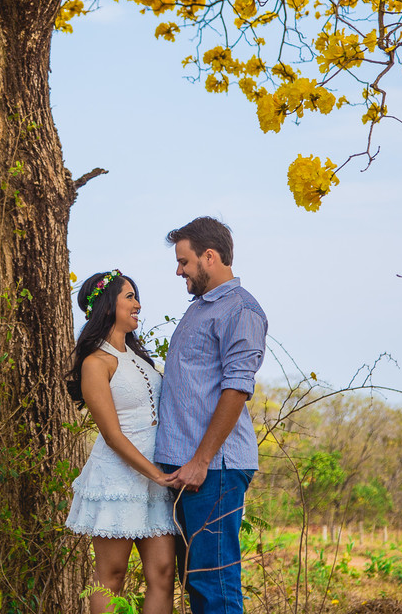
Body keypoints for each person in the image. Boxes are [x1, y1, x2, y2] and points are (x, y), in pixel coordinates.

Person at [156, 217, 267, 614]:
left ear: (210, 256)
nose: (179, 270)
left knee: (214, 583)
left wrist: (201, 461)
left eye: (184, 261)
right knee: (196, 582)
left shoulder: (240, 309)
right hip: (187, 468)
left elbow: (237, 387)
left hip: (212, 470)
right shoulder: (201, 309)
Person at [65, 270, 177, 614]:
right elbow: (112, 435)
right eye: (129, 296)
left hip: (155, 478)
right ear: (106, 304)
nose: (138, 304)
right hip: (119, 478)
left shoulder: (139, 357)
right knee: (111, 576)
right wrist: (156, 475)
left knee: (163, 572)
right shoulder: (94, 363)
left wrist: (161, 474)